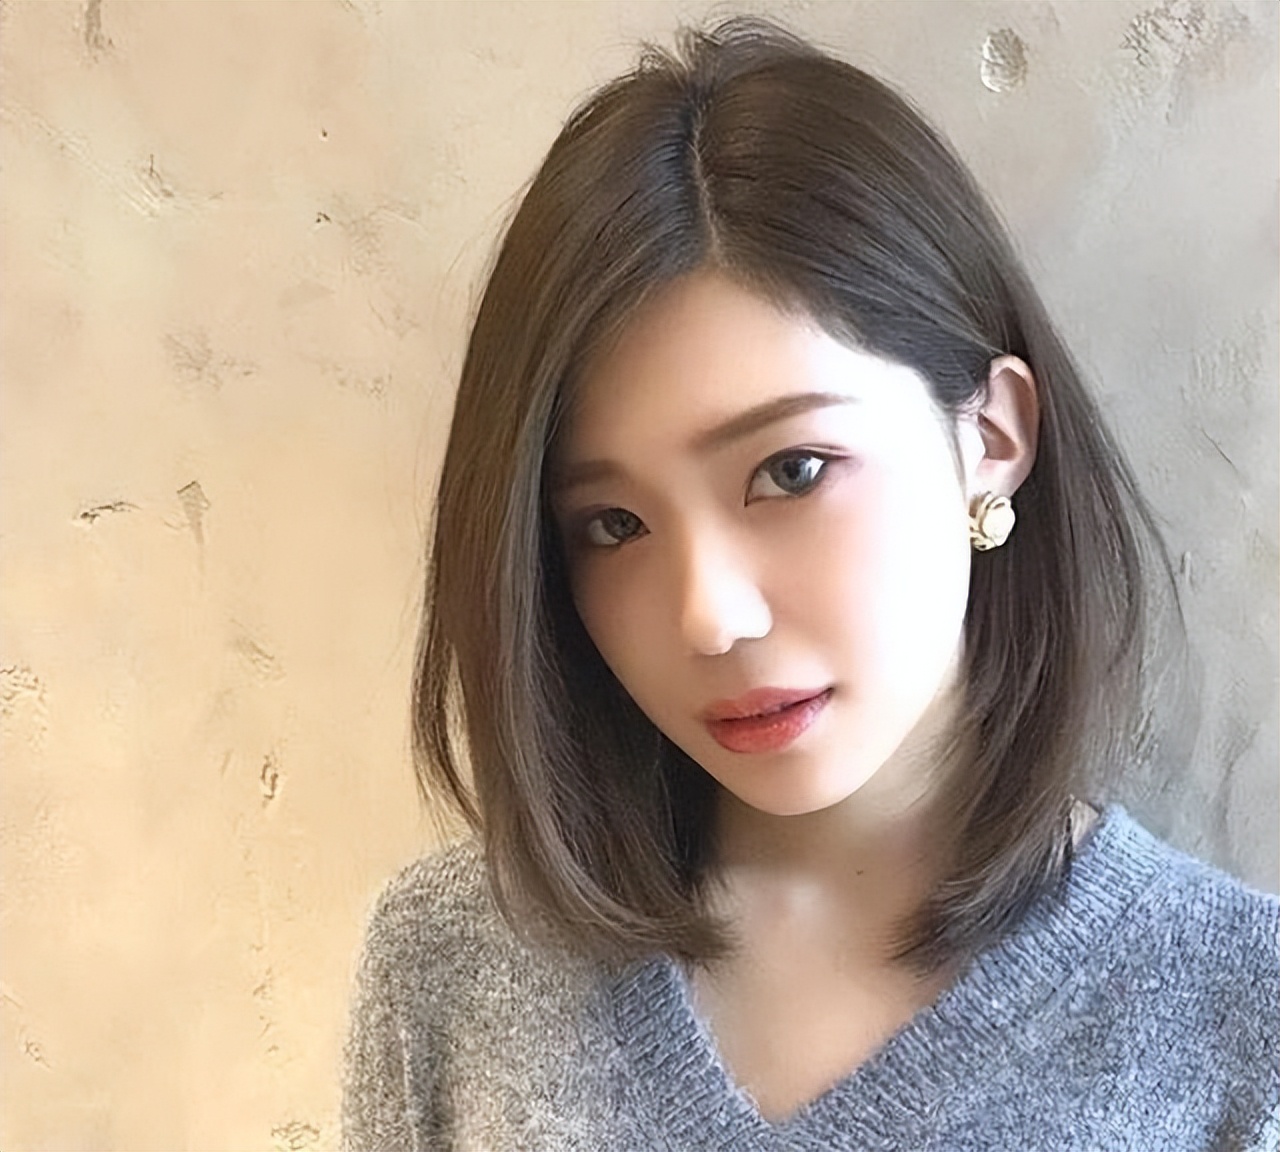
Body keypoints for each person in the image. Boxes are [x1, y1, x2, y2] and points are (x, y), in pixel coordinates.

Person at [342, 18, 1278, 1151]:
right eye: (613, 525)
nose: (710, 616)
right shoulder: (450, 972)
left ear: (989, 438)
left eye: (790, 471)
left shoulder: (1239, 1028)